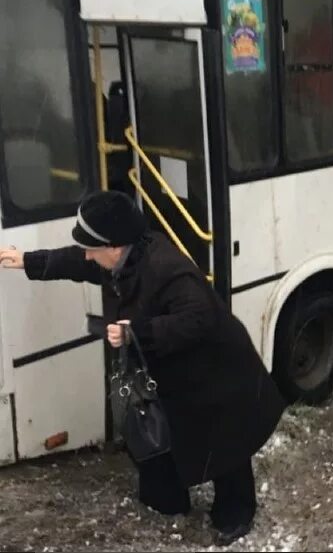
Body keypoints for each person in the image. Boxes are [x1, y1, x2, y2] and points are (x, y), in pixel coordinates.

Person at [0, 191, 286, 545]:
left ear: (115, 247)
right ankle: (168, 500)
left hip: (218, 372)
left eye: (93, 248)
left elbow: (201, 317)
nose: (88, 256)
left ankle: (236, 513)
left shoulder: (166, 268)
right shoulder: (122, 255)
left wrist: (136, 333)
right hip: (178, 371)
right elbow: (78, 261)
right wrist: (28, 260)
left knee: (224, 446)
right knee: (161, 439)